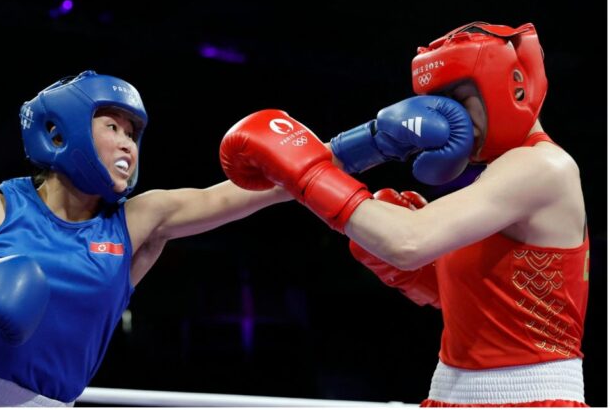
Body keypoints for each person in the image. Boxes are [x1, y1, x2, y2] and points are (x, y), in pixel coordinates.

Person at [0, 70, 301, 407]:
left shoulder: (136, 221)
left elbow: (238, 195)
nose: (128, 145)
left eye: (133, 134)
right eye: (113, 127)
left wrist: (345, 152)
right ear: (60, 132)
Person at [220, 22, 589, 407]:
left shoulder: (544, 167)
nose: (449, 118)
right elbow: (502, 305)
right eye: (439, 101)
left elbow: (408, 241)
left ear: (512, 85)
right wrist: (425, 277)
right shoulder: (494, 181)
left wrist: (309, 172)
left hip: (530, 400)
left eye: (460, 98)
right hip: (448, 394)